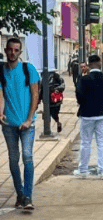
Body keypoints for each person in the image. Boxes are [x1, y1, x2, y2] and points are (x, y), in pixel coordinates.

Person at [0, 38, 40, 210]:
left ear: (20, 52)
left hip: (27, 124)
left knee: (27, 156)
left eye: (16, 50)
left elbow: (35, 95)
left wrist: (29, 119)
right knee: (13, 159)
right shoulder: (1, 71)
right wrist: (0, 112)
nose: (12, 53)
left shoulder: (28, 69)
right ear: (5, 50)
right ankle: (20, 194)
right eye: (10, 50)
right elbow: (0, 95)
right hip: (9, 123)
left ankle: (28, 196)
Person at [75, 55, 103, 179]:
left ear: (88, 64)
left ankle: (83, 170)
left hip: (87, 114)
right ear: (99, 63)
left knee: (85, 142)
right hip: (102, 114)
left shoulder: (83, 79)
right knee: (102, 143)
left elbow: (79, 97)